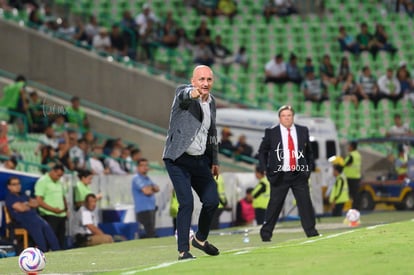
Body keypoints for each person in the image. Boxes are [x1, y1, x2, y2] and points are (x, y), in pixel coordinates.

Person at [163, 65, 220, 260]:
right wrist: (193, 93)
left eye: (209, 80)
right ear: (193, 80)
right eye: (201, 79)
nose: (205, 83)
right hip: (178, 159)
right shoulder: (183, 91)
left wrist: (214, 160)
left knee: (212, 200)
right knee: (186, 202)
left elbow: (212, 132)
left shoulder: (212, 102)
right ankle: (183, 251)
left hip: (200, 160)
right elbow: (185, 96)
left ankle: (200, 239)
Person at [258, 105, 319, 242]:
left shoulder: (302, 131)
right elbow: (262, 151)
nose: (286, 118)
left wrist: (308, 169)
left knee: (305, 203)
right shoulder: (271, 132)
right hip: (280, 175)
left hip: (299, 174)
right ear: (279, 118)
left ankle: (311, 232)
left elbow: (309, 152)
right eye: (284, 116)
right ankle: (266, 234)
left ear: (293, 117)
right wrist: (264, 168)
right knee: (275, 205)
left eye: (289, 115)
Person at [5, 177, 60, 252]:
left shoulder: (23, 195)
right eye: (14, 184)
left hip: (34, 218)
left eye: (18, 184)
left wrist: (26, 204)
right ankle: (43, 251)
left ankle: (57, 250)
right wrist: (28, 204)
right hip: (22, 221)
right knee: (36, 225)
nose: (17, 186)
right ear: (9, 186)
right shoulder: (9, 197)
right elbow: (21, 208)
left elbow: (36, 203)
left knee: (46, 225)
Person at [34, 164, 68, 249]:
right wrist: (53, 210)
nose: (59, 177)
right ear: (52, 171)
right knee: (50, 240)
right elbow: (39, 200)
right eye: (58, 175)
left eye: (61, 176)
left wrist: (66, 209)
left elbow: (63, 197)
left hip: (61, 215)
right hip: (49, 215)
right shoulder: (42, 181)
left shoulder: (59, 182)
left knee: (61, 240)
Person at [131, 158, 160, 238]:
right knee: (150, 233)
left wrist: (150, 188)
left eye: (146, 165)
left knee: (151, 231)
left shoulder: (147, 178)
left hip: (151, 208)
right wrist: (151, 188)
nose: (145, 167)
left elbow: (157, 188)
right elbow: (147, 191)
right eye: (142, 165)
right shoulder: (136, 178)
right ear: (138, 167)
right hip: (143, 210)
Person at [343, 141, 362, 210]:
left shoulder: (351, 155)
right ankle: (356, 208)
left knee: (351, 194)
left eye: (349, 146)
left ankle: (354, 208)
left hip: (350, 177)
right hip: (357, 176)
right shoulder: (358, 155)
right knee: (355, 194)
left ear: (352, 147)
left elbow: (345, 164)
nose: (348, 147)